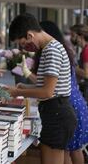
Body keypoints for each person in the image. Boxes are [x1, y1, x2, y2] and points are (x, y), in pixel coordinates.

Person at [3, 13, 77, 164]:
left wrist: (17, 92)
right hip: (56, 111)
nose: (25, 48)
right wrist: (25, 86)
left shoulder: (51, 51)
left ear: (30, 35)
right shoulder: (50, 48)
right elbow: (49, 86)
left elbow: (47, 92)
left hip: (56, 113)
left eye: (23, 44)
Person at [19, 21, 88, 164]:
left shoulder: (53, 52)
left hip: (67, 105)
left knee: (71, 150)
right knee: (70, 150)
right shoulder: (61, 50)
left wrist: (24, 79)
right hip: (72, 104)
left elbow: (47, 89)